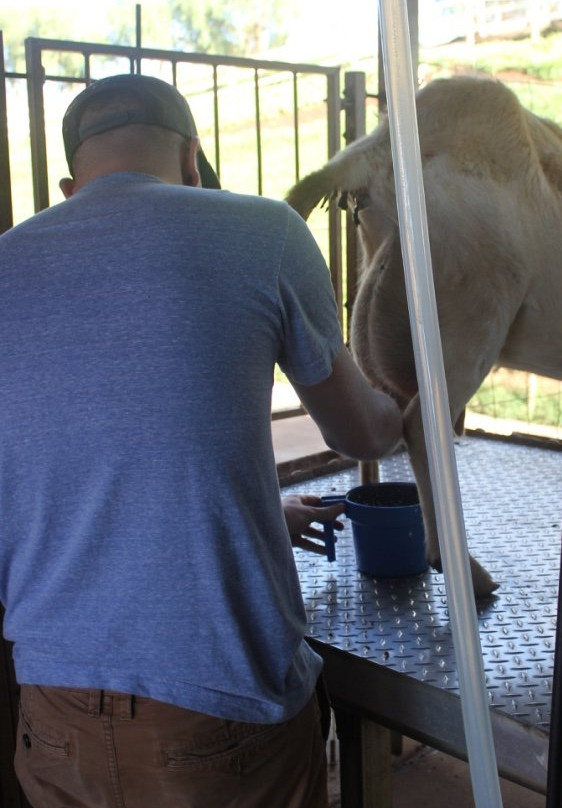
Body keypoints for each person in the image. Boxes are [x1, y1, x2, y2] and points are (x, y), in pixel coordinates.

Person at [0, 74, 403, 808]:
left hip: (52, 708)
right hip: (219, 707)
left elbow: (51, 477)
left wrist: (255, 517)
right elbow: (358, 431)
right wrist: (409, 399)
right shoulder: (264, 233)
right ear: (193, 158)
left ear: (68, 184)